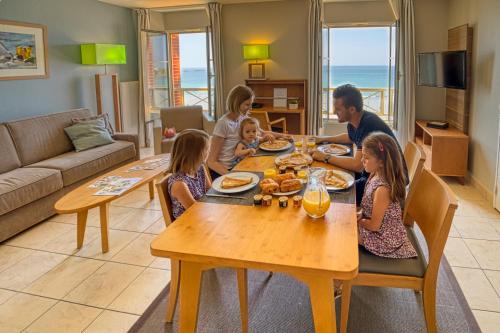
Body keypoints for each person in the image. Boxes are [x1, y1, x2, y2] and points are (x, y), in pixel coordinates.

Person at [311, 84, 408, 204]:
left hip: (387, 185)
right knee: (330, 180)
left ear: (352, 109)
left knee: (333, 194)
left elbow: (357, 165)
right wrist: (323, 139)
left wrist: (325, 157)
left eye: (338, 109)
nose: (334, 111)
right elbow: (351, 137)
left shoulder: (369, 124)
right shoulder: (355, 121)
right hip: (372, 174)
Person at [208, 85, 291, 178]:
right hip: (226, 170)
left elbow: (261, 132)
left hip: (241, 163)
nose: (250, 108)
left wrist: (283, 135)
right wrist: (232, 176)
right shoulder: (223, 124)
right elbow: (211, 162)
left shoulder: (242, 118)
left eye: (251, 104)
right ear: (236, 103)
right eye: (247, 104)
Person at [357, 132, 417, 258]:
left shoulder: (382, 190)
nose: (362, 160)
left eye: (366, 157)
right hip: (376, 229)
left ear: (381, 162)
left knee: (344, 237)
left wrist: (358, 221)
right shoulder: (374, 174)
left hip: (384, 239)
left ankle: (340, 273)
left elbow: (374, 226)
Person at [167, 129, 211, 219]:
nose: (209, 152)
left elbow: (210, 191)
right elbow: (194, 212)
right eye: (206, 149)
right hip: (188, 225)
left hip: (203, 214)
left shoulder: (200, 168)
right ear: (193, 154)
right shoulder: (179, 184)